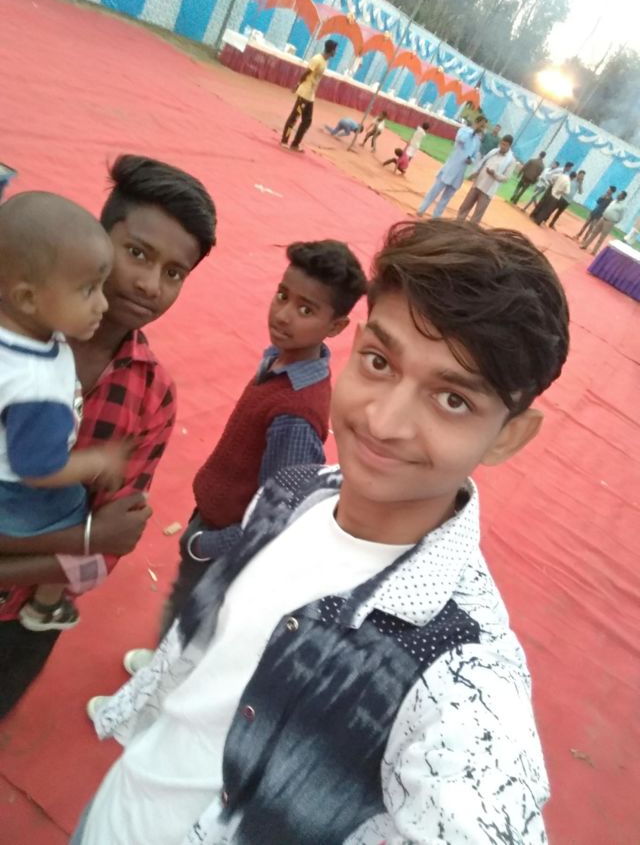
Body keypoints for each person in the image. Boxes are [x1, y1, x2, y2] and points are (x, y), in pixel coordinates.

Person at [76, 219, 569, 845]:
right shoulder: (296, 491)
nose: (384, 422)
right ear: (355, 346)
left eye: (452, 400)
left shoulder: (462, 672)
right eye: (380, 362)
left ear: (508, 436)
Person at [0, 155, 216, 718]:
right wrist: (79, 539)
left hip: (21, 628)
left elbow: (107, 553)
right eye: (137, 253)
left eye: (174, 273)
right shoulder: (10, 345)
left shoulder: (152, 395)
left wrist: (86, 544)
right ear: (97, 238)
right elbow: (96, 537)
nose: (150, 284)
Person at [103, 239, 367, 681]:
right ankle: (164, 665)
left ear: (336, 326)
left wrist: (208, 545)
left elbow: (279, 516)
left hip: (223, 541)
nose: (283, 314)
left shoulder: (295, 413)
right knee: (186, 604)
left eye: (306, 310)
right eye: (282, 295)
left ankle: (160, 688)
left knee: (196, 618)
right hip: (214, 519)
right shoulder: (280, 363)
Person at [0, 193, 132, 634]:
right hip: (16, 494)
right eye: (88, 290)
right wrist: (97, 462)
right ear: (27, 298)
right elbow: (38, 469)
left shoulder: (24, 333)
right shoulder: (36, 385)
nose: (103, 305)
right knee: (80, 518)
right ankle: (46, 605)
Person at [416, 116, 487, 218]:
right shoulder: (464, 130)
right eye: (481, 125)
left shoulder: (478, 141)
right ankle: (422, 209)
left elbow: (475, 157)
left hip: (460, 172)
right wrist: (472, 131)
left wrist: (470, 160)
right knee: (434, 191)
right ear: (476, 122)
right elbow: (460, 140)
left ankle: (436, 217)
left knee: (446, 198)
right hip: (451, 167)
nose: (482, 128)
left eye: (484, 127)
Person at [281, 40, 338, 153]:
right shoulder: (317, 59)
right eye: (335, 50)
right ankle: (284, 140)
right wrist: (298, 84)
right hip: (304, 93)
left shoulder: (324, 61)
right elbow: (306, 72)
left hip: (310, 95)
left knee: (307, 121)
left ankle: (295, 144)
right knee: (294, 117)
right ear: (331, 50)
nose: (336, 52)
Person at [457, 134, 515, 223]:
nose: (502, 146)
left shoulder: (511, 160)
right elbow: (482, 163)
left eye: (505, 145)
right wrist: (475, 173)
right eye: (502, 144)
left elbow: (506, 178)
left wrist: (494, 174)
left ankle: (470, 230)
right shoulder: (493, 152)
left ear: (509, 146)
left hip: (488, 191)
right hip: (478, 184)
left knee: (477, 216)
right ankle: (457, 224)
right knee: (464, 207)